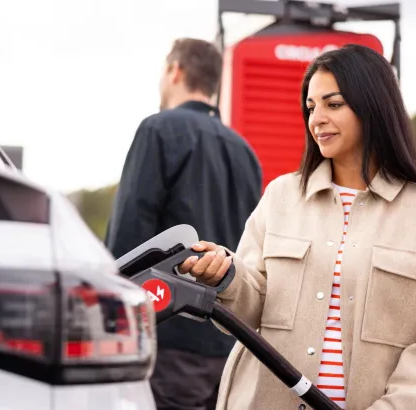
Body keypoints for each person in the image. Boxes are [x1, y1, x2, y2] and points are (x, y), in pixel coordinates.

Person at [179, 44, 416, 410]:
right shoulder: (280, 197)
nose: (317, 118)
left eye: (333, 104)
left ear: (373, 105)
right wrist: (225, 276)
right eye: (311, 107)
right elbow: (249, 306)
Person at [105, 38, 263, 410]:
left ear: (175, 71)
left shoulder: (158, 129)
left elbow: (130, 232)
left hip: (169, 337)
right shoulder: (246, 152)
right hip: (229, 343)